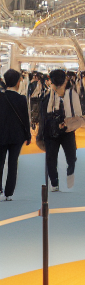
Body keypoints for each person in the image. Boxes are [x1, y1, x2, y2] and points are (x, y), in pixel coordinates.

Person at [41, 69, 84, 192]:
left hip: (67, 130)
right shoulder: (48, 96)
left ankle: (69, 175)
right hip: (51, 131)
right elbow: (44, 115)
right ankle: (54, 182)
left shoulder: (71, 95)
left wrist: (67, 123)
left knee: (71, 158)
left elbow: (78, 114)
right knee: (51, 158)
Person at [0, 69, 32, 200]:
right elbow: (25, 119)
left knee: (0, 162)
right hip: (17, 135)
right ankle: (9, 193)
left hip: (1, 134)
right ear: (18, 82)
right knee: (13, 163)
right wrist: (28, 135)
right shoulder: (21, 99)